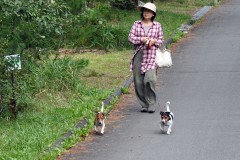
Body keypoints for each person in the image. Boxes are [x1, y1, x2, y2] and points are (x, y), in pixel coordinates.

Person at [128, 2, 164, 113]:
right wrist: (141, 39)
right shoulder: (136, 24)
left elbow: (161, 40)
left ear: (153, 14)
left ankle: (151, 103)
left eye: (149, 11)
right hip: (139, 54)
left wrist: (154, 41)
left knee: (150, 79)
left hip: (152, 55)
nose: (146, 13)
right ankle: (144, 104)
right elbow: (130, 37)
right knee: (138, 81)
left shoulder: (157, 25)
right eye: (145, 11)